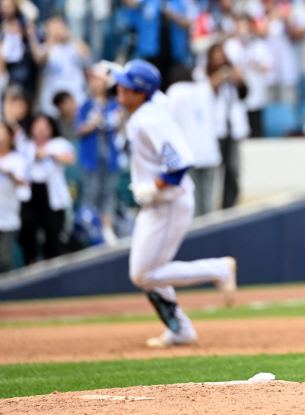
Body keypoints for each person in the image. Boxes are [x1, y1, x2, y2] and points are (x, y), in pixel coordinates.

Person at [113, 59, 237, 347]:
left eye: (126, 86)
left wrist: (153, 187)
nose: (119, 88)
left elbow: (181, 163)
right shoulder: (150, 104)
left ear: (140, 92)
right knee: (146, 273)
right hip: (158, 204)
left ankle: (218, 269)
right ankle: (180, 330)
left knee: (144, 274)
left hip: (168, 202)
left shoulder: (149, 118)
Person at [19, 115, 76, 264]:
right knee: (28, 230)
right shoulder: (25, 145)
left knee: (52, 232)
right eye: (38, 127)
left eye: (45, 127)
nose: (41, 131)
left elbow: (70, 158)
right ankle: (30, 263)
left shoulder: (58, 144)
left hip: (52, 195)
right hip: (30, 194)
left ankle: (53, 266)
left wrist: (50, 153)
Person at [75, 66, 123, 245]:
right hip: (91, 159)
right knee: (91, 192)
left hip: (110, 157)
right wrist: (93, 123)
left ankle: (107, 229)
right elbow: (79, 130)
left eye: (99, 80)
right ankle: (90, 231)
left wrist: (115, 120)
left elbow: (119, 128)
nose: (95, 84)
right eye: (93, 80)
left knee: (108, 193)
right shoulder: (86, 106)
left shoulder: (115, 105)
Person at [166, 66, 222, 216]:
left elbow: (170, 122)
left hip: (189, 152)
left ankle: (198, 233)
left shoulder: (175, 91)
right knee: (208, 197)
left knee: (192, 198)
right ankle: (210, 231)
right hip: (210, 150)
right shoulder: (204, 89)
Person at [206, 43, 250, 209]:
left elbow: (245, 95)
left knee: (233, 170)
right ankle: (210, 204)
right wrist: (216, 80)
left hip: (233, 130)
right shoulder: (204, 74)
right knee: (214, 170)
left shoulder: (234, 72)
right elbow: (204, 94)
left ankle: (230, 205)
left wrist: (238, 80)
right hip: (215, 130)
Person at [30, 17, 90, 117]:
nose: (57, 30)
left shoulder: (73, 46)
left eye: (60, 26)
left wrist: (69, 35)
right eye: (53, 27)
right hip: (52, 103)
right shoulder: (45, 48)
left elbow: (86, 53)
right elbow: (40, 59)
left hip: (76, 99)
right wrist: (50, 37)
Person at [0, 122, 29, 272]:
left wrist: (7, 172)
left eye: (3, 133)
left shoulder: (17, 159)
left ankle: (10, 293)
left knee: (5, 260)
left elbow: (23, 182)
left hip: (9, 218)